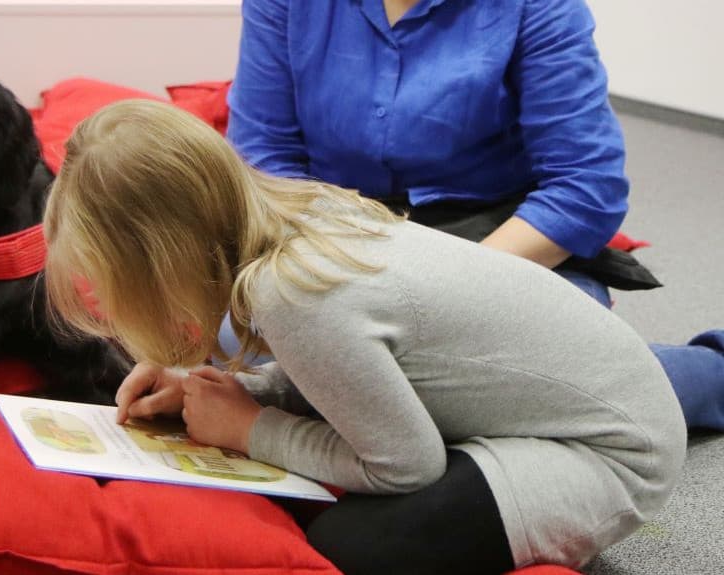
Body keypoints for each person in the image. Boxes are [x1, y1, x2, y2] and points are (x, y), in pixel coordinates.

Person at [41, 99, 686, 574]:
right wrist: (228, 391)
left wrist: (250, 429)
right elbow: (341, 366)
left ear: (157, 263)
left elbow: (405, 466)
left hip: (608, 455)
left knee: (348, 550)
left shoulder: (294, 294)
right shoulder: (302, 215)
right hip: (559, 400)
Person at [224, 0, 724, 430]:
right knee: (227, 344)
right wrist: (329, 282)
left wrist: (440, 301)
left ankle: (707, 373)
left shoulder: (536, 7)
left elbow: (586, 187)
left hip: (501, 250)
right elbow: (263, 161)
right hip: (341, 240)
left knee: (505, 386)